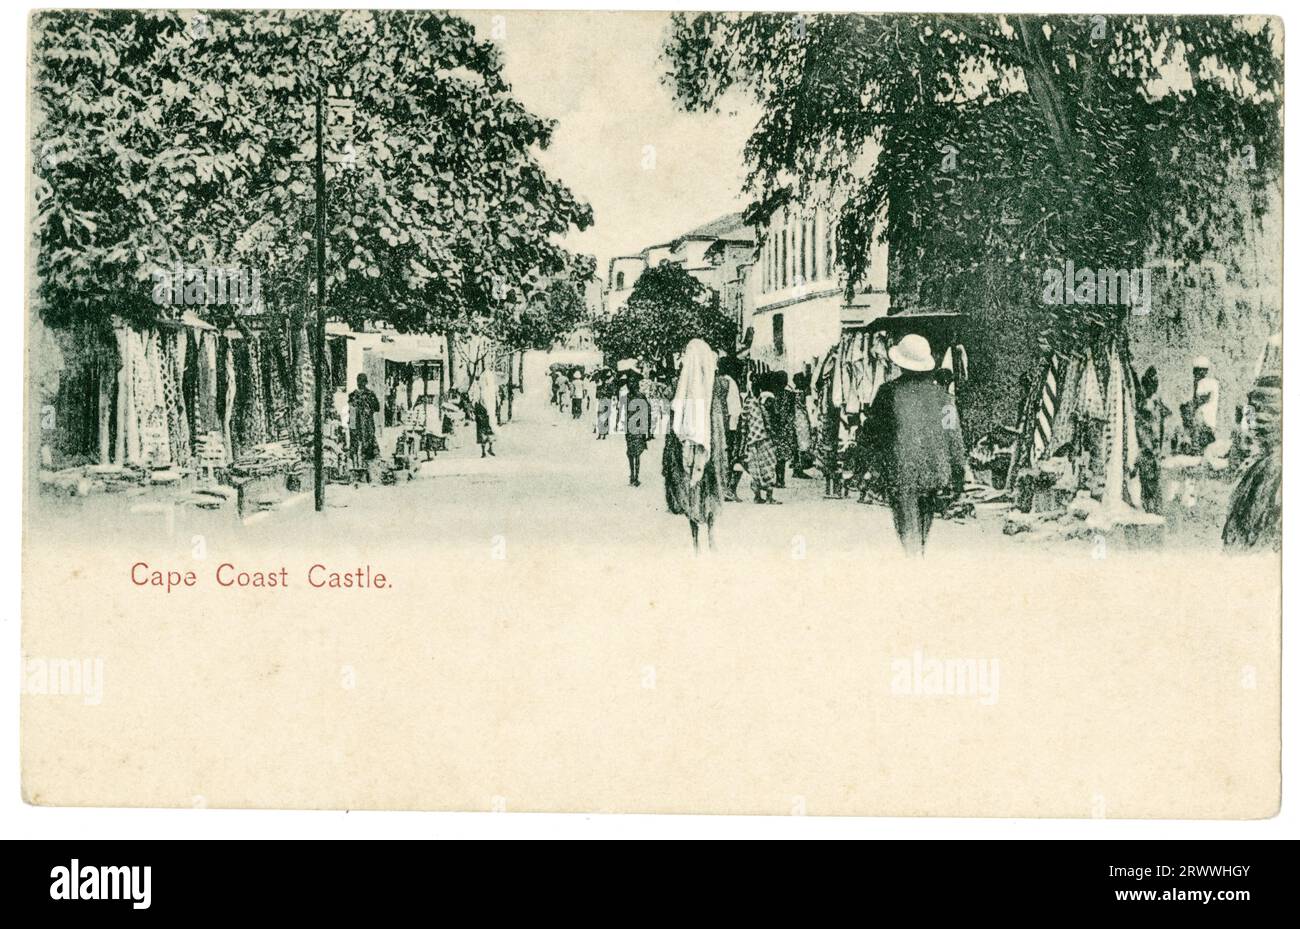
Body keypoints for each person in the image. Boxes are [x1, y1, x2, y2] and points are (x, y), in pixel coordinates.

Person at [863, 333, 966, 556]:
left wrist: (872, 469)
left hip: (902, 473)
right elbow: (954, 438)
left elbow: (872, 435)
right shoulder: (946, 399)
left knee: (908, 533)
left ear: (900, 363)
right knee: (922, 529)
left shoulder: (887, 393)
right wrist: (958, 476)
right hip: (935, 473)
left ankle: (913, 569)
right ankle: (917, 561)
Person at [663, 339, 729, 552]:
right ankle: (711, 537)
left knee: (692, 490)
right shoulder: (718, 385)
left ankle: (695, 541)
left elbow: (674, 420)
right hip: (714, 449)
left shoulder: (682, 387)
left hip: (690, 449)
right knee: (710, 490)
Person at [1134, 365, 1170, 514]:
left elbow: (1164, 418)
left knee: (1154, 481)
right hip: (1146, 448)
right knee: (1148, 481)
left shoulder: (1156, 402)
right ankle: (1150, 510)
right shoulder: (1143, 403)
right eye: (1151, 383)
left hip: (1154, 448)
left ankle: (1155, 510)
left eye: (1155, 384)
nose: (1154, 386)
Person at [741, 372, 781, 504]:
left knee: (756, 467)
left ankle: (757, 495)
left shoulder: (749, 402)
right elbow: (771, 420)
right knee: (768, 465)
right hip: (764, 439)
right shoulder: (764, 401)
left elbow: (743, 421)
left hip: (753, 439)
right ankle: (769, 497)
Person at [348, 373, 382, 479]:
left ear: (366, 382)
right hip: (355, 425)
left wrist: (368, 407)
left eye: (362, 381)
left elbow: (377, 407)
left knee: (369, 445)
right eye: (359, 381)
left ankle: (369, 471)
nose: (360, 383)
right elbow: (350, 409)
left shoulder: (370, 394)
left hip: (367, 425)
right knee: (355, 446)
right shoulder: (353, 395)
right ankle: (356, 468)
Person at [624, 371, 651, 486]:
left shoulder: (629, 396)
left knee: (632, 453)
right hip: (636, 428)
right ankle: (634, 476)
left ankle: (633, 476)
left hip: (633, 427)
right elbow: (648, 413)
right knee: (635, 453)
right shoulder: (640, 396)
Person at [472, 383, 496, 458]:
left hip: (486, 417)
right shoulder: (478, 399)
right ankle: (484, 451)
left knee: (488, 434)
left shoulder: (486, 397)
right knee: (484, 435)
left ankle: (489, 449)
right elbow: (475, 409)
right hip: (482, 418)